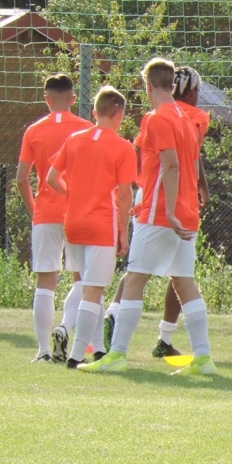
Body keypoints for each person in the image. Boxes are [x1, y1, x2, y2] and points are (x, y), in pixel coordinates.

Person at [79, 57, 215, 376]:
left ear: (149, 86)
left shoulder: (157, 118)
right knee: (184, 281)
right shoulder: (187, 119)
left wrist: (167, 210)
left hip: (161, 213)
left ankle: (117, 354)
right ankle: (203, 358)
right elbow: (188, 165)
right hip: (187, 212)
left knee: (135, 278)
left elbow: (171, 165)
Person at [46, 86, 136, 368]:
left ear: (95, 112)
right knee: (93, 290)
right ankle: (75, 356)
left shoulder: (74, 139)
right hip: (101, 225)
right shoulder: (123, 147)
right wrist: (123, 232)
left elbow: (51, 177)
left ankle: (97, 348)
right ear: (119, 114)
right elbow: (125, 194)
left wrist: (73, 196)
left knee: (87, 285)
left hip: (73, 223)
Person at [16, 73, 92, 362]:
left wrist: (35, 210)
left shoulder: (34, 131)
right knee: (82, 278)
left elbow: (22, 178)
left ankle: (43, 351)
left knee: (45, 281)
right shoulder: (85, 129)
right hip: (78, 212)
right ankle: (66, 328)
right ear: (73, 99)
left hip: (45, 213)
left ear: (46, 99)